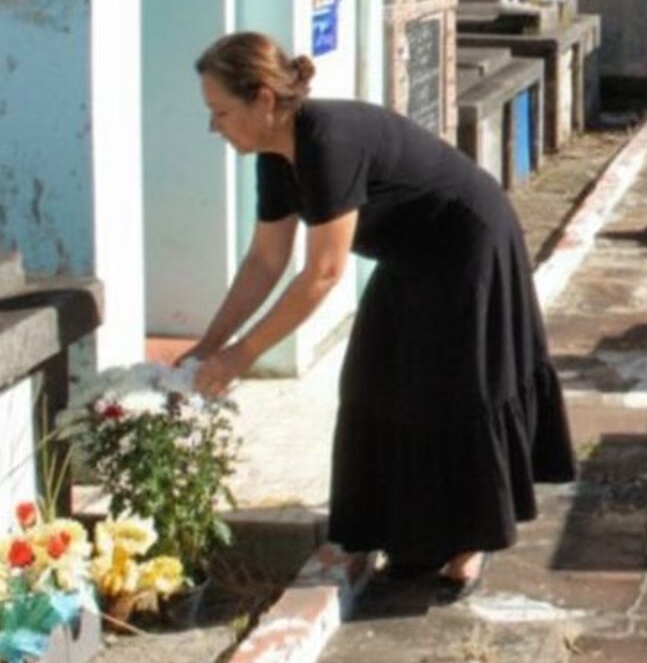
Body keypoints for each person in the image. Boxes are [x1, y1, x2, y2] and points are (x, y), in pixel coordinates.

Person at [184, 32, 575, 600]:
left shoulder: (325, 142)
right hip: (409, 252)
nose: (213, 126)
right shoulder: (273, 154)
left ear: (263, 100)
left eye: (220, 112)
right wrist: (210, 344)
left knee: (459, 387)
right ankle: (410, 538)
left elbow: (323, 272)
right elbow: (265, 260)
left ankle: (468, 544)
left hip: (469, 240)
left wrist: (242, 356)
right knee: (376, 380)